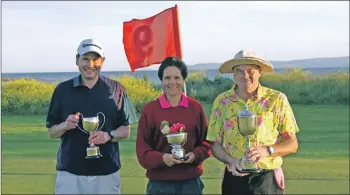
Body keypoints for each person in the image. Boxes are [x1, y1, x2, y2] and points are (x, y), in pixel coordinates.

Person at [46, 38, 137, 194]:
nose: (90, 65)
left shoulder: (116, 89)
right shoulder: (62, 90)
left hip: (107, 171)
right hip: (70, 172)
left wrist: (108, 135)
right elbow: (52, 131)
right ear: (77, 60)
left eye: (95, 59)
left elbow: (125, 129)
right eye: (85, 59)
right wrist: (65, 126)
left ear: (103, 61)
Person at [207, 50, 300, 195]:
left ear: (260, 72)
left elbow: (292, 143)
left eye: (250, 71)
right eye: (239, 71)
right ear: (233, 74)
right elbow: (215, 143)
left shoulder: (277, 99)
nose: (245, 76)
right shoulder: (222, 101)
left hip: (267, 179)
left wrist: (267, 150)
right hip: (234, 177)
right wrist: (230, 161)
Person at [136, 56, 211, 195]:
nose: (172, 82)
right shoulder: (150, 109)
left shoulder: (195, 108)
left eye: (177, 78)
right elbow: (142, 151)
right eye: (167, 78)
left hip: (190, 184)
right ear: (161, 80)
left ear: (183, 80)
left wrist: (195, 155)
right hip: (159, 185)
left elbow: (207, 143)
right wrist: (162, 159)